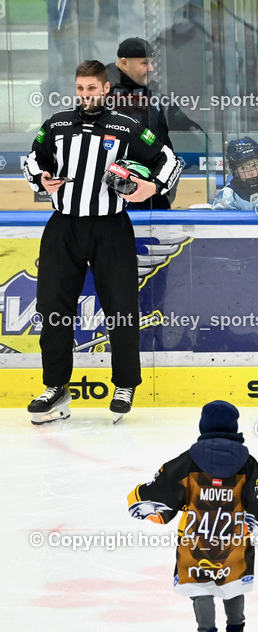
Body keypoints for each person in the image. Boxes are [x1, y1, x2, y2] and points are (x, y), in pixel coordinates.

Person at [21, 60, 181, 424]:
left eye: (91, 88)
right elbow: (32, 160)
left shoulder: (126, 126)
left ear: (106, 89)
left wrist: (152, 186)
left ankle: (125, 385)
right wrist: (41, 179)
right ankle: (55, 387)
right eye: (80, 88)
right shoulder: (57, 125)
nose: (85, 95)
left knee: (121, 308)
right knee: (53, 310)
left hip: (111, 229)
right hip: (63, 228)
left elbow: (168, 160)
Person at [127, 400, 258, 632]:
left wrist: (138, 497)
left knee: (200, 588)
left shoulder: (188, 461)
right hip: (234, 543)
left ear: (204, 426)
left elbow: (162, 488)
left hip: (195, 542)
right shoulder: (248, 463)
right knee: (233, 586)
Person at [106, 36, 196, 209]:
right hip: (113, 200)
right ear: (124, 63)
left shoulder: (152, 96)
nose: (152, 68)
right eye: (145, 63)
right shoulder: (101, 95)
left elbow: (170, 146)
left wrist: (158, 189)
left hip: (149, 195)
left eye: (152, 62)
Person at [212, 138, 258, 210]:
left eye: (254, 166)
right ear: (235, 170)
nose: (251, 172)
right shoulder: (227, 197)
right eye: (243, 168)